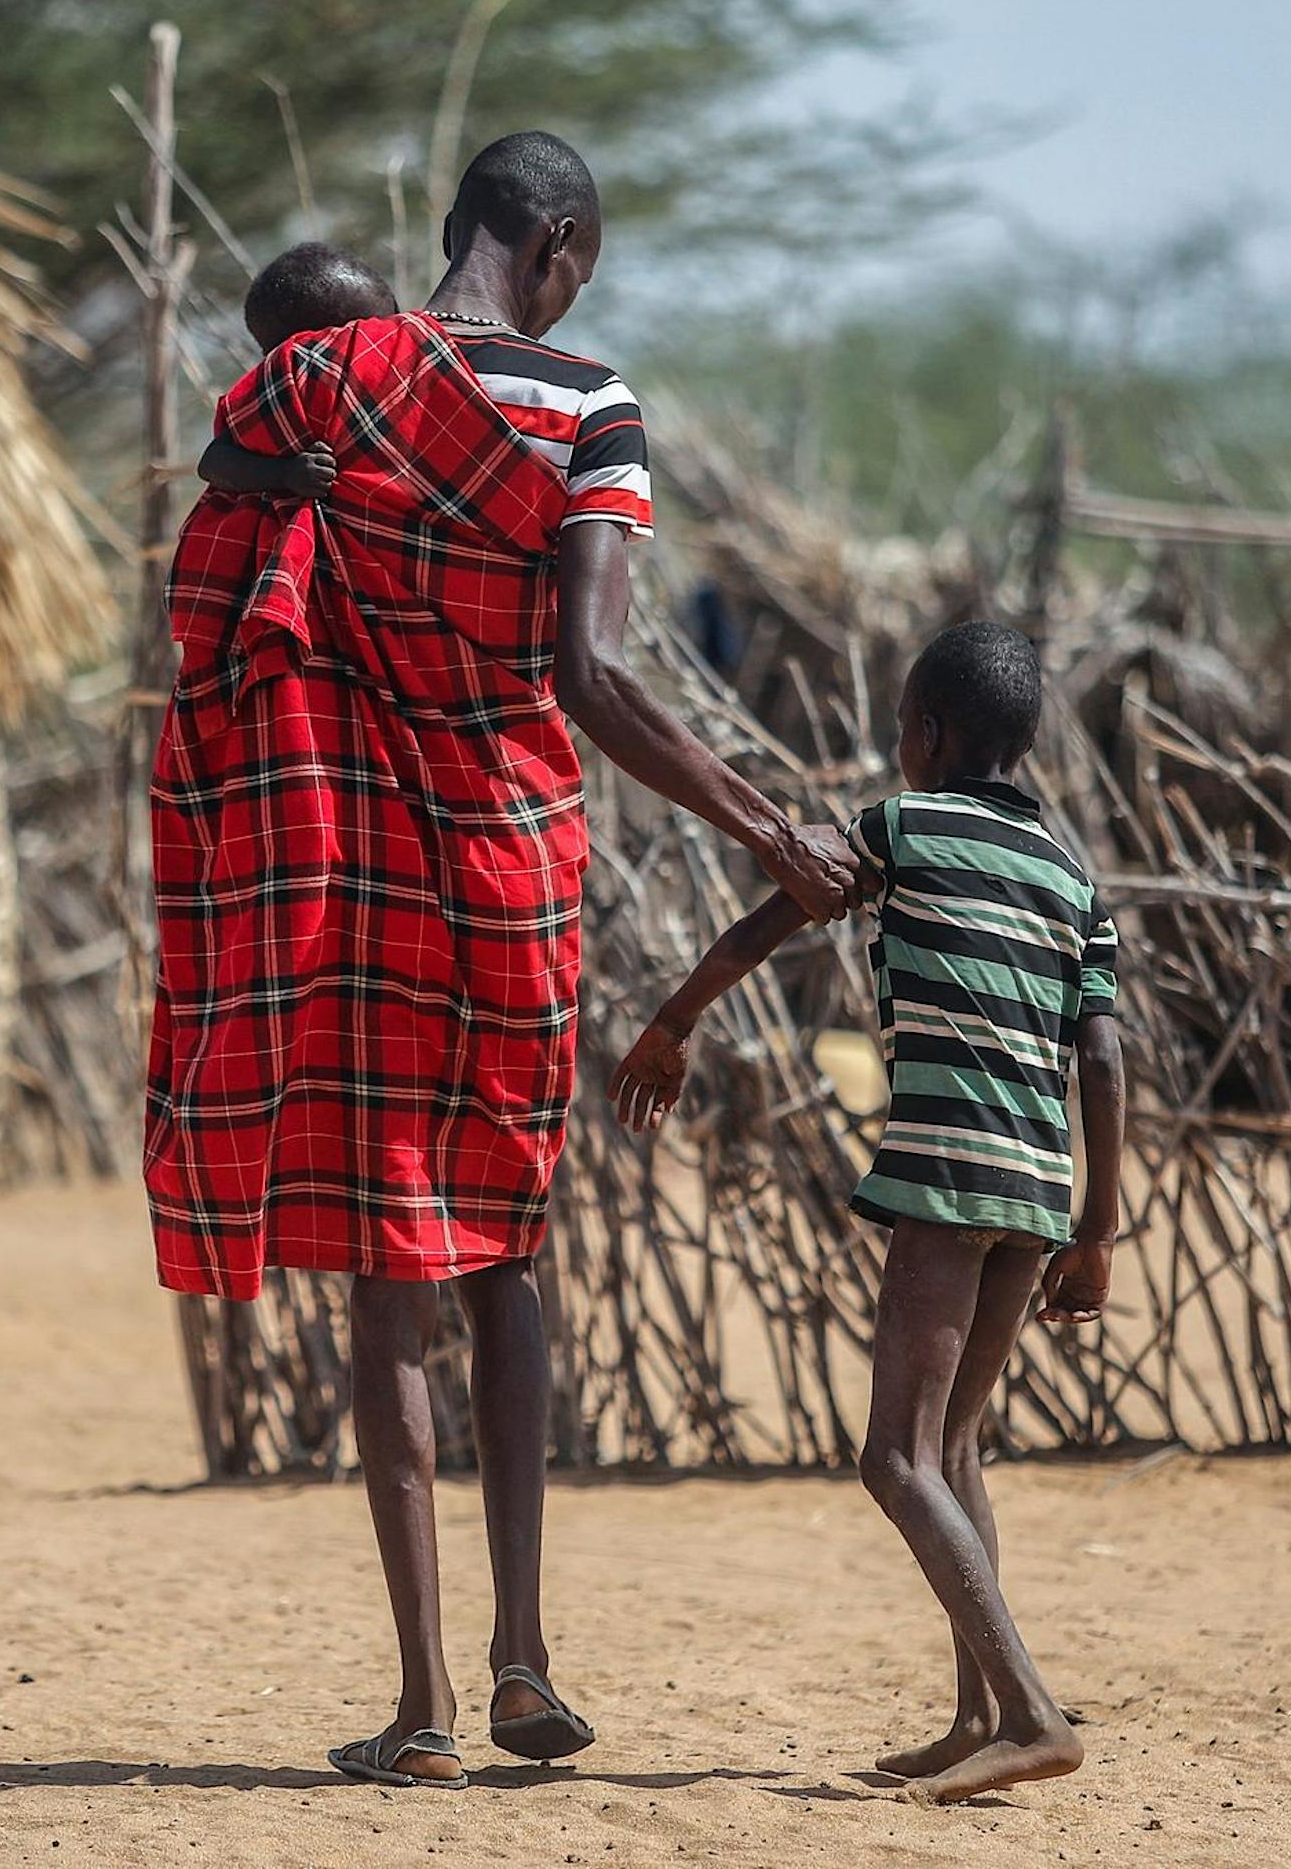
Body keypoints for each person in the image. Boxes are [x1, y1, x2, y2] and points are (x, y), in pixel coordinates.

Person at [146, 130, 863, 1792]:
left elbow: (231, 497)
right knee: (507, 1253)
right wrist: (767, 829)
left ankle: (421, 1709)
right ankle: (525, 1658)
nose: (576, 290)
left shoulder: (316, 384)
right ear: (551, 241)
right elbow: (596, 680)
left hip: (356, 877)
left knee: (394, 1277)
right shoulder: (588, 406)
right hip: (507, 866)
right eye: (581, 266)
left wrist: (314, 487)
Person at [610, 620, 1126, 1806]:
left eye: (901, 726)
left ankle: (1033, 1712)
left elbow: (779, 910)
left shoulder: (901, 824)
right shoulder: (1069, 878)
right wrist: (1095, 1228)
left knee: (893, 1456)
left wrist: (674, 1019)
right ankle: (976, 1717)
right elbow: (1099, 1057)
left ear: (927, 735)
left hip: (945, 1174)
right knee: (953, 1449)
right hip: (1038, 1188)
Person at [194, 242, 398, 501]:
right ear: (296, 360)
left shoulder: (401, 385)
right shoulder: (275, 401)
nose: (391, 342)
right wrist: (285, 473)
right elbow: (213, 463)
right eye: (368, 339)